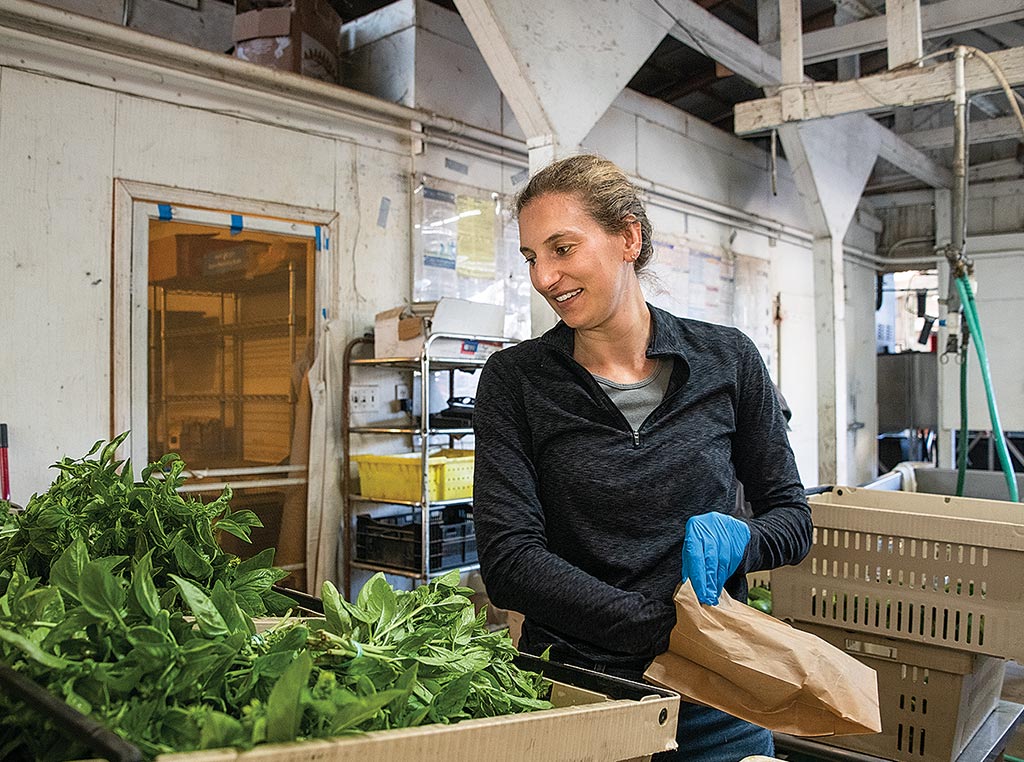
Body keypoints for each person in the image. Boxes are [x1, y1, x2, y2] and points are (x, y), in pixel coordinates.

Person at [471, 154, 813, 761]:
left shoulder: (727, 361)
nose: (545, 277)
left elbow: (791, 514)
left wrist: (745, 540)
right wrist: (663, 628)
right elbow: (510, 560)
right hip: (574, 693)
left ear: (628, 237)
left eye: (562, 248)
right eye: (531, 257)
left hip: (714, 697)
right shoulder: (516, 380)